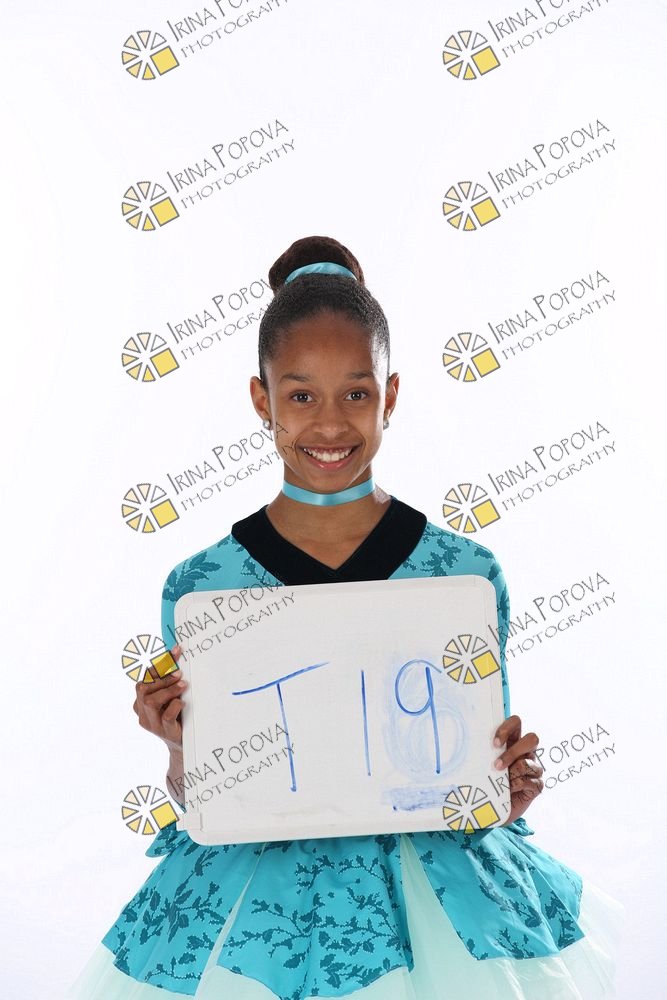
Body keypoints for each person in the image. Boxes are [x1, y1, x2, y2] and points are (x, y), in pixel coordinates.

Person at [66, 235, 625, 1000]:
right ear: (261, 399)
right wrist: (177, 745)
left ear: (389, 396)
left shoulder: (461, 573)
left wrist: (502, 793)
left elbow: (466, 768)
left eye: (355, 394)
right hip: (261, 903)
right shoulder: (203, 587)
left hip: (428, 899)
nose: (329, 424)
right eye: (301, 396)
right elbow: (210, 799)